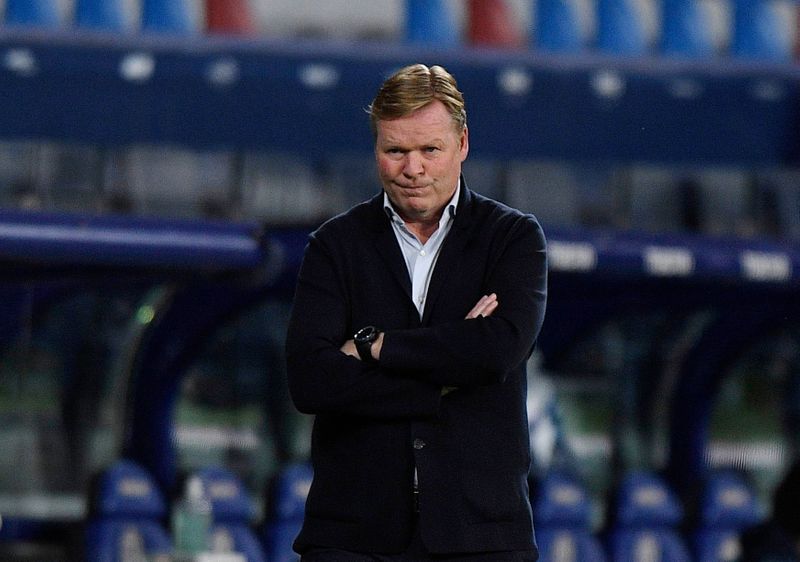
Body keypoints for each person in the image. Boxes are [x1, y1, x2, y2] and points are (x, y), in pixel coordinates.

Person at [286, 63, 548, 560]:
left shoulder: (513, 239)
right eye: (396, 151)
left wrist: (373, 346)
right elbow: (311, 380)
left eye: (430, 149)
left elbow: (495, 353)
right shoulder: (334, 245)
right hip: (351, 540)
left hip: (481, 540)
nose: (413, 169)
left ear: (463, 144)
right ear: (376, 150)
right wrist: (445, 375)